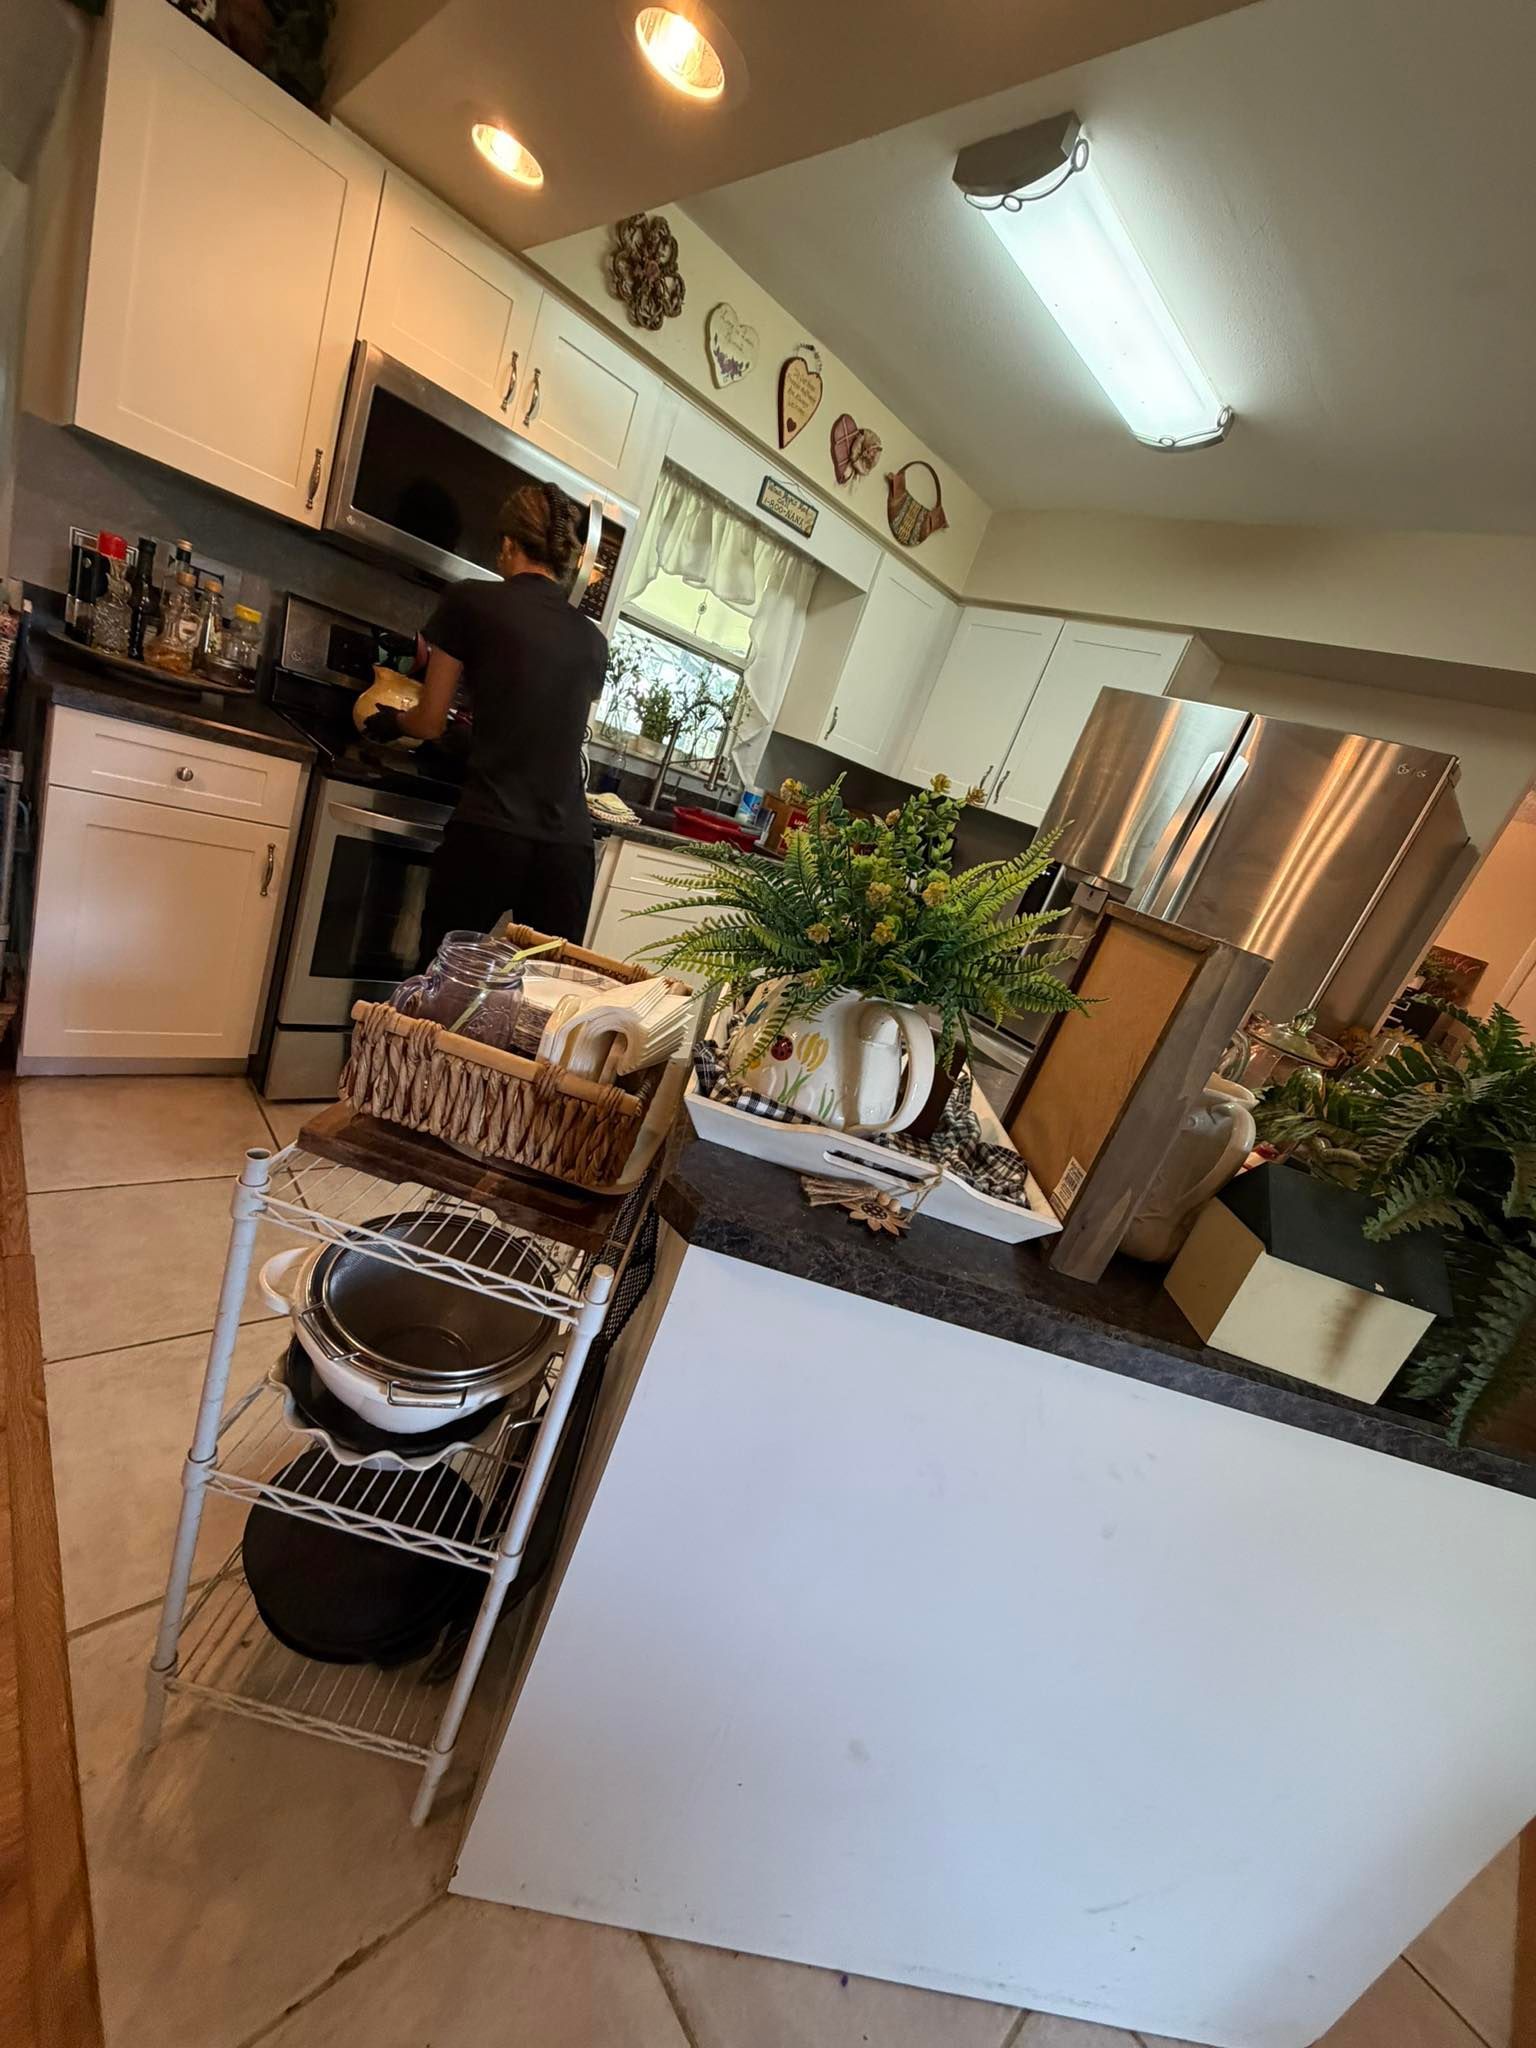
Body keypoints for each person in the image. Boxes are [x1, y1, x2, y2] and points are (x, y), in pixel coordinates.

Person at [368, 481, 606, 962]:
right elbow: (540, 716)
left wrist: (393, 723)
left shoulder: (469, 600)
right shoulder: (593, 640)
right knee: (541, 995)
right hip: (568, 851)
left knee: (444, 979)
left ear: (509, 545)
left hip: (491, 835)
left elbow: (430, 722)